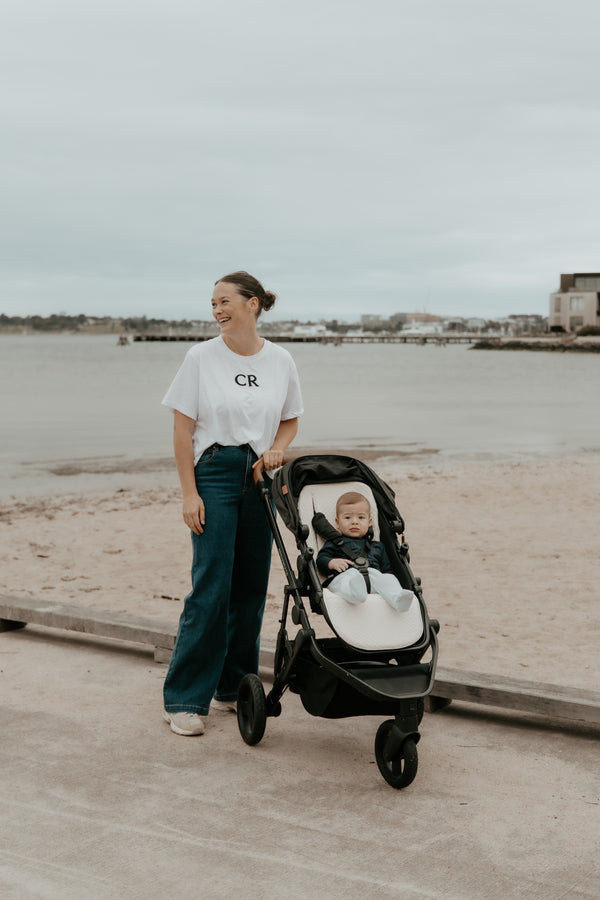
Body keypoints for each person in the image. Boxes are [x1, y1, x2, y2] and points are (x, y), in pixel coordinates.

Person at [161, 271, 303, 736]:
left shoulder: (281, 359)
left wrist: (277, 450)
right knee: (210, 586)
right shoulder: (200, 357)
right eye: (213, 303)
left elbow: (290, 420)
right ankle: (184, 699)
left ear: (253, 304)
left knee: (249, 587)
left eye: (225, 301)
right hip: (215, 473)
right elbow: (183, 432)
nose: (217, 310)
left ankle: (231, 687)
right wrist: (189, 492)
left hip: (260, 477)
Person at [316, 492, 414, 612]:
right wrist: (331, 562)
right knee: (345, 583)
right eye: (347, 517)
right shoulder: (334, 543)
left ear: (369, 522)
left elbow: (386, 569)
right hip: (345, 576)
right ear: (337, 522)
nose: (354, 522)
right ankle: (355, 591)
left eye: (361, 517)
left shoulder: (377, 546)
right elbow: (321, 559)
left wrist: (385, 579)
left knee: (388, 579)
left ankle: (398, 599)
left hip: (372, 578)